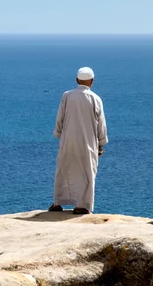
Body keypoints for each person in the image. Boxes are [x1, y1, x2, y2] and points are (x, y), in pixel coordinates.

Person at [48, 67, 108, 215]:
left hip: (68, 140)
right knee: (87, 173)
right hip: (88, 143)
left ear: (76, 80)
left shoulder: (67, 96)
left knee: (63, 170)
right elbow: (101, 123)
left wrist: (59, 134)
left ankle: (57, 203)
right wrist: (101, 143)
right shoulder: (95, 98)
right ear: (92, 81)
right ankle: (81, 206)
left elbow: (59, 117)